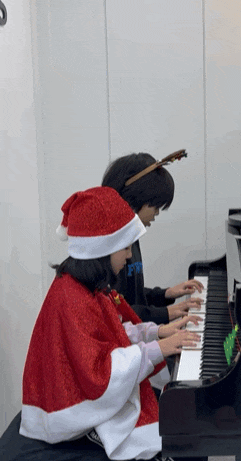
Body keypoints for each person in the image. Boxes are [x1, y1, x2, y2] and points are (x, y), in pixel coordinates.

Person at [3, 186, 201, 461]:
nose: (129, 256)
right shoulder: (72, 298)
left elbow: (113, 333)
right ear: (103, 249)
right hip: (70, 408)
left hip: (83, 389)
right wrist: (159, 348)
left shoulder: (85, 286)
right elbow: (100, 374)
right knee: (174, 438)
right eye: (125, 247)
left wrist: (156, 332)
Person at [101, 152, 203, 325]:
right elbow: (116, 310)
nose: (156, 213)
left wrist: (165, 294)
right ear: (135, 197)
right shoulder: (109, 245)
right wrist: (166, 313)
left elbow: (131, 296)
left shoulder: (131, 235)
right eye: (155, 206)